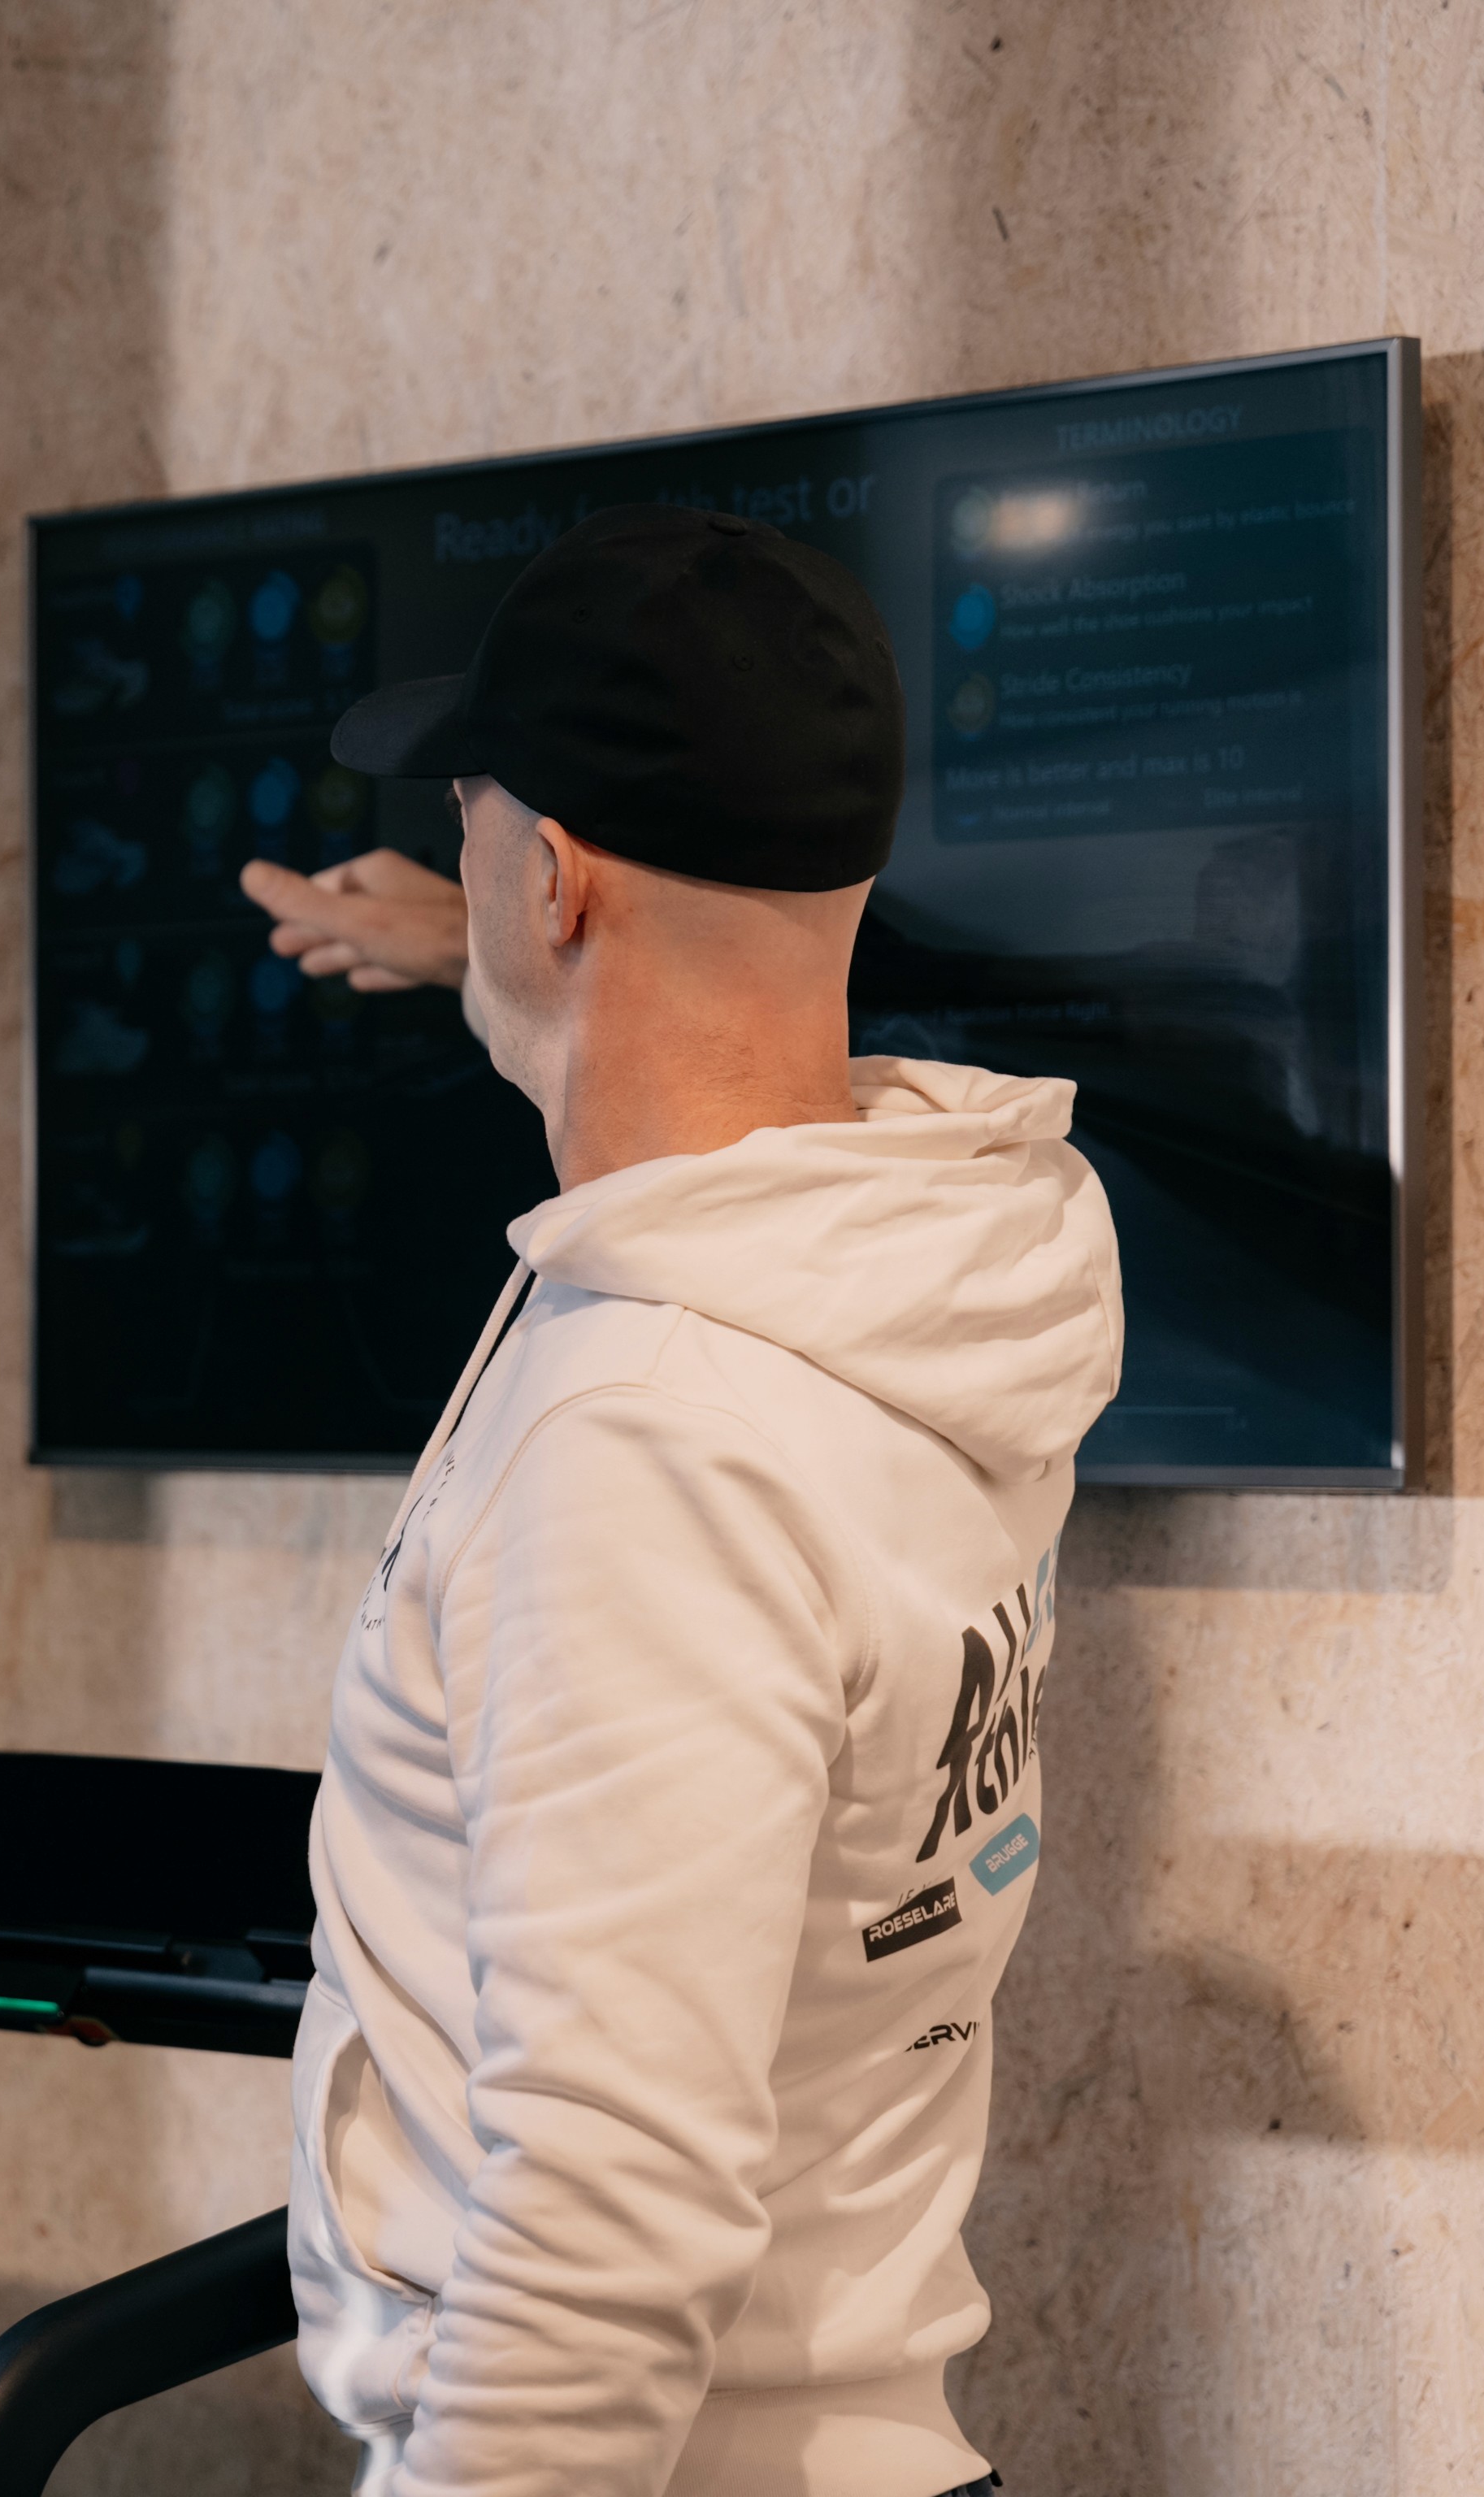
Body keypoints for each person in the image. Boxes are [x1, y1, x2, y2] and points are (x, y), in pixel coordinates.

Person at [280, 506, 1122, 2497]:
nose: (460, 857)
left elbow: (603, 2227)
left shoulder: (647, 1437)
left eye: (475, 824)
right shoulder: (914, 1280)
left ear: (556, 881)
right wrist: (486, 951)